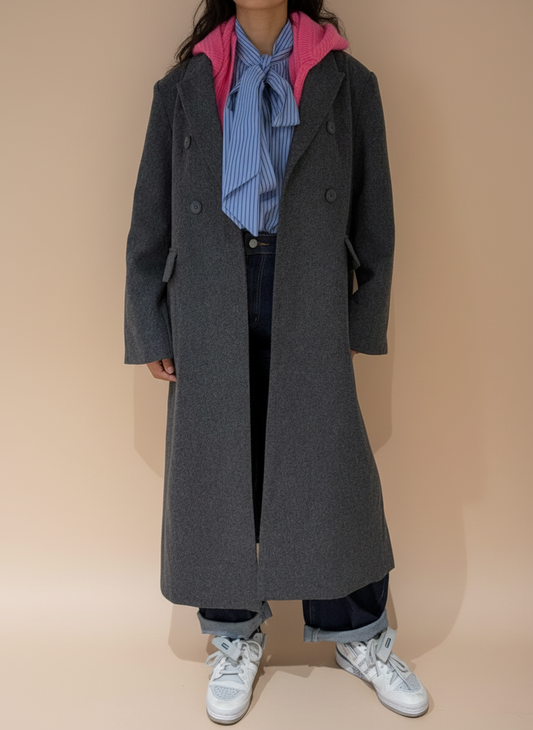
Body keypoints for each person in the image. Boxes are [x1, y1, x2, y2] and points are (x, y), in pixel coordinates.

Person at [124, 0, 429, 723]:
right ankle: (233, 636)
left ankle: (360, 633)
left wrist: (364, 314)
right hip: (208, 288)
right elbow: (150, 215)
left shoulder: (347, 81)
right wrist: (150, 324)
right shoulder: (184, 86)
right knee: (218, 466)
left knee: (326, 464)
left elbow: (374, 212)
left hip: (308, 284)